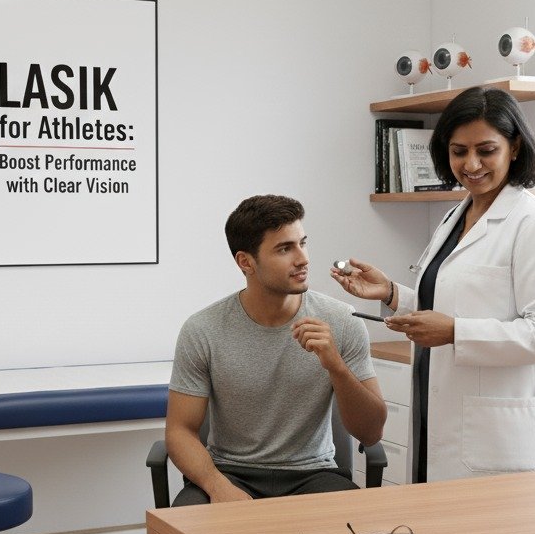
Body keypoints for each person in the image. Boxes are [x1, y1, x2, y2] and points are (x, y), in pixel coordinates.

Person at [331, 86, 535, 482]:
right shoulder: (453, 217)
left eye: (486, 150)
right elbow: (451, 303)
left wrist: (456, 333)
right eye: (459, 151)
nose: (471, 163)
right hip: (437, 411)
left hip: (495, 438)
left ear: (514, 147)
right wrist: (393, 294)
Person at [166, 194, 387, 505]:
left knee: (353, 532)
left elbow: (371, 433)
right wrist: (217, 487)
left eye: (303, 243)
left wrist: (336, 366)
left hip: (313, 475)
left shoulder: (342, 322)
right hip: (230, 472)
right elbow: (179, 431)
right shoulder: (203, 329)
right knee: (186, 529)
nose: (303, 259)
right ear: (246, 262)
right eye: (285, 249)